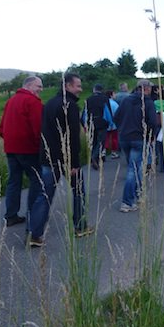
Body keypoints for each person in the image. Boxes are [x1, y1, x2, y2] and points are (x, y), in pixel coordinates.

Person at [29, 73, 93, 246]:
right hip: (65, 159)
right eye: (77, 86)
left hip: (48, 156)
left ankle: (34, 234)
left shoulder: (49, 103)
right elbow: (72, 136)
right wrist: (74, 163)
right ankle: (80, 226)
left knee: (45, 195)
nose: (80, 89)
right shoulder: (70, 106)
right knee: (78, 191)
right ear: (67, 86)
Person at [0, 76, 44, 227]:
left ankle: (11, 215)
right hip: (28, 148)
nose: (41, 90)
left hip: (11, 148)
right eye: (39, 86)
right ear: (29, 86)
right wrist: (41, 146)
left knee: (14, 181)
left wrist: (7, 138)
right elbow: (38, 128)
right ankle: (34, 214)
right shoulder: (33, 102)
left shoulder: (10, 101)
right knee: (36, 180)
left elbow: (1, 126)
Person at [114, 79, 157, 212]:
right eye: (149, 88)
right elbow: (153, 122)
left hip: (124, 138)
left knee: (136, 167)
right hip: (139, 138)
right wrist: (151, 137)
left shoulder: (126, 100)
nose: (150, 91)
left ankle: (138, 194)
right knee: (134, 169)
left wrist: (122, 129)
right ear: (145, 88)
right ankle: (127, 202)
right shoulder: (148, 102)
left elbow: (116, 117)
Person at [84, 84, 111, 170]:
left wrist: (85, 124)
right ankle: (94, 157)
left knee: (94, 141)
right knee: (101, 142)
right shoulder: (104, 99)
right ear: (101, 90)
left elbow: (84, 114)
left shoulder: (88, 99)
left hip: (91, 123)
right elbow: (108, 112)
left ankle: (93, 158)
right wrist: (110, 122)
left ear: (94, 90)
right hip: (102, 123)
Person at [104, 90, 120, 159]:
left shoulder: (104, 103)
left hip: (105, 124)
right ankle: (113, 152)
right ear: (111, 95)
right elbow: (118, 113)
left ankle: (103, 151)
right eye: (114, 94)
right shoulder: (114, 104)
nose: (115, 95)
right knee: (114, 138)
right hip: (113, 124)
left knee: (105, 138)